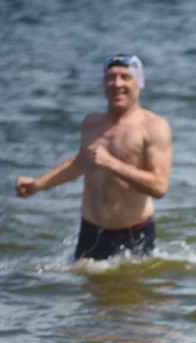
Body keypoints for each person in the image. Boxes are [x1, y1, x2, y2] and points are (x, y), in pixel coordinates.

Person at [16, 55, 172, 261]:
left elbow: (159, 186)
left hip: (133, 232)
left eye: (125, 77)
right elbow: (80, 164)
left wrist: (112, 164)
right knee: (83, 288)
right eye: (111, 77)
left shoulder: (153, 126)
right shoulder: (92, 123)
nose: (117, 84)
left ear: (140, 83)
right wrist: (38, 185)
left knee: (132, 292)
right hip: (90, 229)